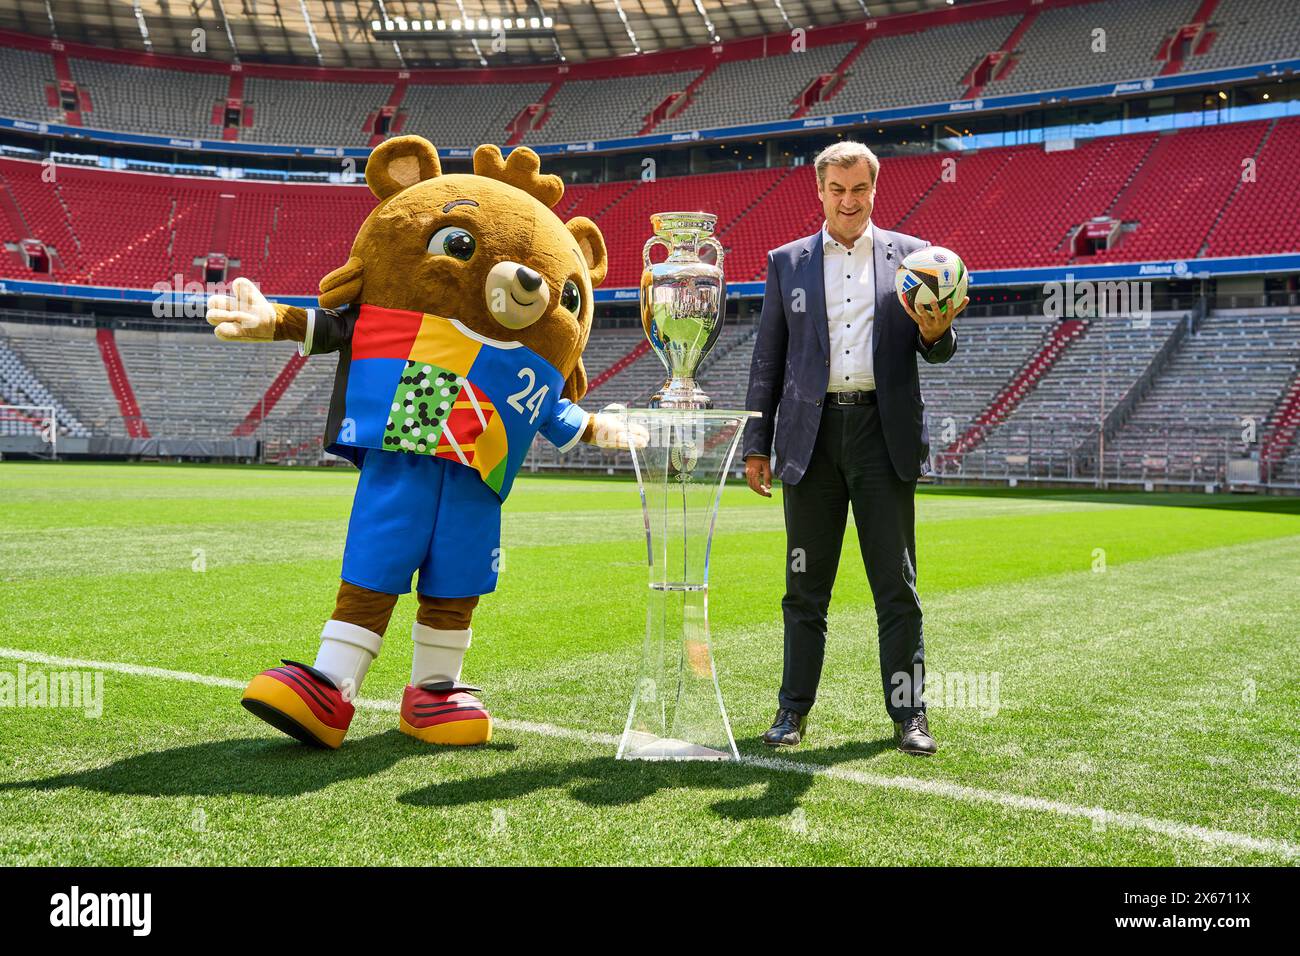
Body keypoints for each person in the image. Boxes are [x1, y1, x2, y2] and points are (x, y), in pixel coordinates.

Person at [741, 141, 965, 755]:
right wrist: (757, 443)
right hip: (808, 442)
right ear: (820, 192)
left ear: (874, 188)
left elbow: (938, 349)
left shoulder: (915, 258)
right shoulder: (786, 262)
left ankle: (909, 715)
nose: (848, 201)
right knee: (804, 587)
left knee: (896, 586)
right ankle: (791, 713)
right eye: (837, 190)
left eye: (859, 190)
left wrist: (937, 334)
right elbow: (769, 358)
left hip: (880, 435)